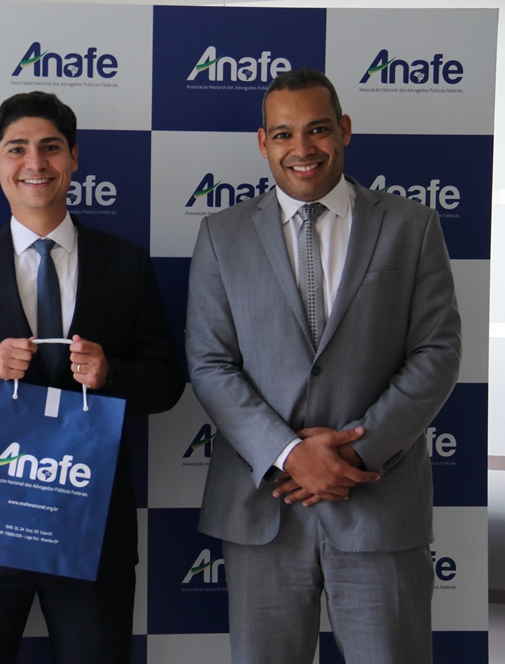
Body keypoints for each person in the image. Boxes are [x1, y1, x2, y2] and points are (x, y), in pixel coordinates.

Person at [185, 69, 462, 664]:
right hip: (264, 507)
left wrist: (355, 454)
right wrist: (290, 454)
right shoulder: (221, 235)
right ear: (263, 143)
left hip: (377, 503)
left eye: (317, 129)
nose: (301, 148)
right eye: (283, 134)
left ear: (344, 130)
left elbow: (437, 352)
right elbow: (209, 363)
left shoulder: (411, 226)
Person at [0, 91, 184, 664]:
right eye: (17, 149)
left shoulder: (126, 264)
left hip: (90, 525)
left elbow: (166, 382)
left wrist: (112, 374)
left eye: (51, 147)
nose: (35, 163)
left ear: (74, 157)